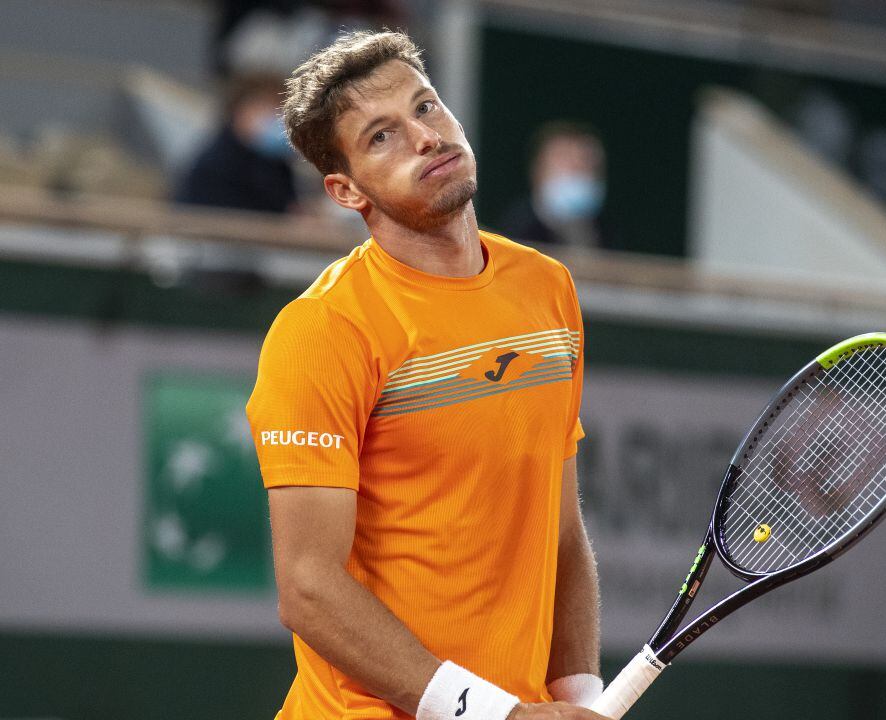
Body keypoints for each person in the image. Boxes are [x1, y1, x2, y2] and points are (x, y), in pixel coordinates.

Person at [245, 31, 605, 720]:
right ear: (345, 190)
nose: (425, 137)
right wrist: (491, 714)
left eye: (428, 107)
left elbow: (558, 533)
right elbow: (308, 586)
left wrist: (579, 695)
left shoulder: (546, 287)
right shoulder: (323, 331)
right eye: (382, 136)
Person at [174, 74, 298, 213]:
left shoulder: (273, 161)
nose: (279, 116)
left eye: (282, 107)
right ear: (239, 111)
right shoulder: (216, 164)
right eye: (268, 106)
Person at [499, 123, 615, 250]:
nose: (578, 173)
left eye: (587, 165)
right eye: (566, 161)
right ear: (538, 170)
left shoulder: (607, 231)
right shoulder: (516, 229)